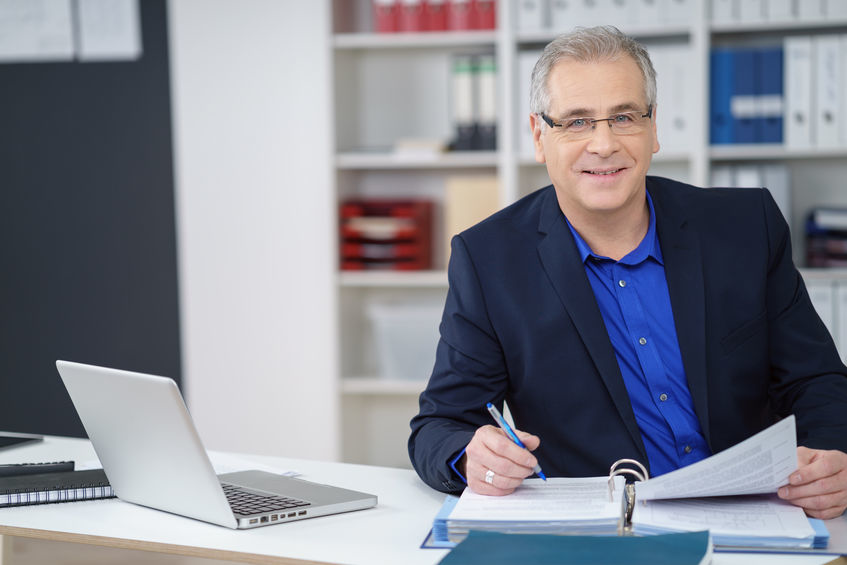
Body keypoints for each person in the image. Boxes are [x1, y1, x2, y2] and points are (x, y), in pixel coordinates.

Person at [408, 25, 847, 519]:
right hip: (606, 534)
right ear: (539, 135)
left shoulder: (747, 227)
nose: (603, 143)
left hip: (756, 515)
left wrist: (834, 455)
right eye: (576, 122)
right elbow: (439, 425)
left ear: (653, 126)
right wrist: (470, 456)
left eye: (623, 116)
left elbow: (819, 381)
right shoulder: (489, 261)